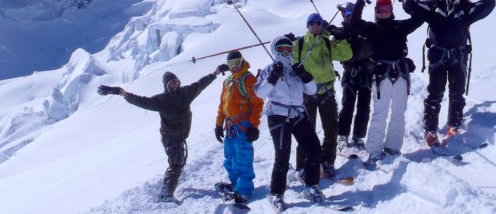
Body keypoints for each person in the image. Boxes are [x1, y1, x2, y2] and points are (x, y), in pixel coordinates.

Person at [97, 64, 227, 202]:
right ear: (166, 86)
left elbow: (200, 84)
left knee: (178, 162)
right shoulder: (161, 100)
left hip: (181, 136)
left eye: (176, 82)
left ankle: (167, 191)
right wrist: (123, 93)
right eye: (171, 84)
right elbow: (142, 101)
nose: (175, 85)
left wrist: (216, 72)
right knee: (176, 163)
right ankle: (166, 194)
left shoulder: (186, 93)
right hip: (170, 137)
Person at [401, 0, 496, 147]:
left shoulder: (466, 9)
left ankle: (454, 124)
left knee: (457, 92)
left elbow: (488, 4)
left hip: (458, 55)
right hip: (437, 55)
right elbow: (410, 5)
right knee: (435, 92)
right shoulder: (434, 6)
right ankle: (430, 128)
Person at [347, 0, 424, 166]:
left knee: (399, 112)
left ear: (391, 10)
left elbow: (420, 17)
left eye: (386, 9)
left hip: (401, 74)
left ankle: (393, 147)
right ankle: (374, 151)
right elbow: (353, 22)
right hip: (382, 75)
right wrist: (360, 1)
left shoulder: (400, 26)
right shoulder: (372, 28)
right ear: (375, 12)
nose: (383, 13)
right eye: (380, 10)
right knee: (380, 113)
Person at [255, 35, 325, 208]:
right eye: (281, 49)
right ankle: (276, 193)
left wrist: (304, 74)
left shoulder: (297, 68)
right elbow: (260, 93)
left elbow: (312, 89)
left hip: (298, 113)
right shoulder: (269, 69)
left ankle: (311, 185)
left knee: (313, 147)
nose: (286, 52)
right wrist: (273, 76)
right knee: (282, 155)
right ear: (275, 51)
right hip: (277, 115)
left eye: (288, 49)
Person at [292, 13, 352, 178]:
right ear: (307, 26)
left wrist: (341, 38)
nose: (315, 26)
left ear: (322, 25)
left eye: (318, 23)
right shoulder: (300, 43)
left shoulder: (327, 42)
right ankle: (302, 166)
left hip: (327, 92)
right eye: (311, 23)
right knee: (306, 131)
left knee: (331, 129)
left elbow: (346, 55)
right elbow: (291, 62)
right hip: (307, 94)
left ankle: (327, 162)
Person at [214, 50, 264, 204]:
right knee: (230, 157)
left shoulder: (248, 80)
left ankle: (244, 190)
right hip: (230, 126)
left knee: (242, 158)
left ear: (242, 61)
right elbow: (223, 105)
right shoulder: (228, 80)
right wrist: (218, 124)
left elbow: (258, 104)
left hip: (243, 125)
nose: (234, 66)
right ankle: (236, 184)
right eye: (231, 64)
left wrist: (254, 126)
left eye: (237, 62)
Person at [330, 2, 374, 155]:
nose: (349, 17)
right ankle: (342, 136)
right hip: (350, 73)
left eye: (352, 14)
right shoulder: (340, 32)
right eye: (347, 14)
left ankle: (358, 136)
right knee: (347, 104)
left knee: (364, 106)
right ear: (343, 15)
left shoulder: (365, 28)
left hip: (366, 72)